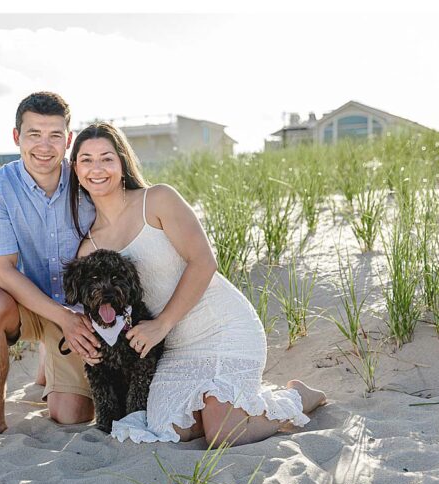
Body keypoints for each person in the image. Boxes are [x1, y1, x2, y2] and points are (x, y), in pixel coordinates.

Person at [69, 122, 327, 446]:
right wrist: (81, 336)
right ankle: (228, 402)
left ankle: (295, 398)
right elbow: (89, 307)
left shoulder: (158, 199)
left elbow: (204, 262)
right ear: (75, 169)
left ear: (122, 162)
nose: (97, 169)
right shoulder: (89, 246)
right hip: (173, 349)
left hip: (221, 328)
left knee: (221, 433)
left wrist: (161, 324)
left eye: (106, 158)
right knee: (167, 430)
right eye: (87, 160)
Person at [0, 92, 104, 435]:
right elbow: (2, 272)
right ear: (17, 137)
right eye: (34, 134)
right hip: (30, 304)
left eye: (55, 135)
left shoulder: (88, 181)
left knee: (71, 415)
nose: (45, 146)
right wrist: (62, 318)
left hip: (79, 309)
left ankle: (51, 357)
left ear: (68, 139)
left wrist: (76, 319)